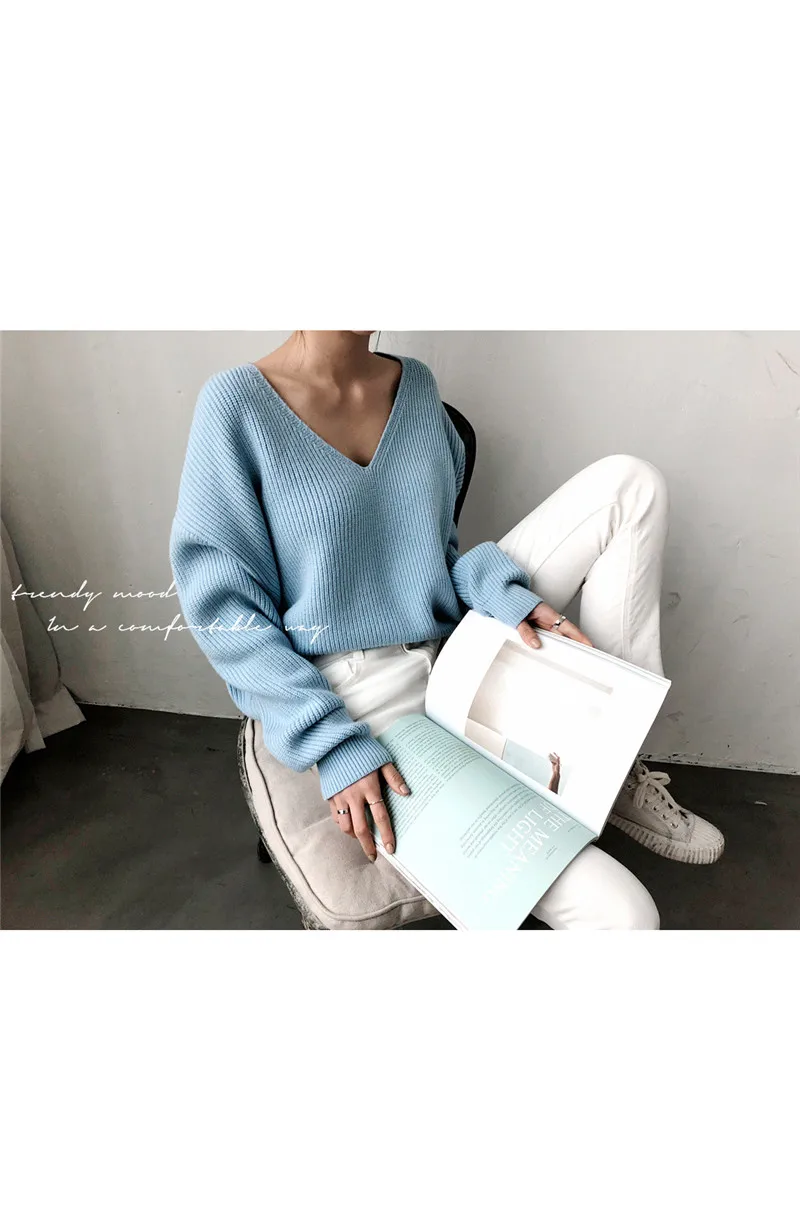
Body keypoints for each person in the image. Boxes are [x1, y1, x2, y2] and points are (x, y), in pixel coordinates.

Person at [169, 330, 725, 931]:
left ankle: (614, 756)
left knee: (630, 484)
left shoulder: (415, 387)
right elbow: (225, 610)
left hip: (456, 646)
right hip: (364, 700)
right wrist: (331, 743)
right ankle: (591, 771)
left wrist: (501, 594)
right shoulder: (237, 405)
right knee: (627, 916)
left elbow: (435, 554)